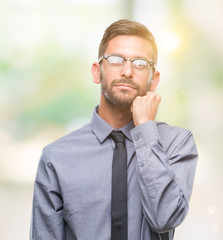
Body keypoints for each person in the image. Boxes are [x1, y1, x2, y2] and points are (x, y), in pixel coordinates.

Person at [30, 19, 198, 240]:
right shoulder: (56, 158)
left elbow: (164, 219)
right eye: (116, 60)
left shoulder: (177, 144)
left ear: (154, 80)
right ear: (96, 72)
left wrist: (146, 129)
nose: (127, 71)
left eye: (140, 63)